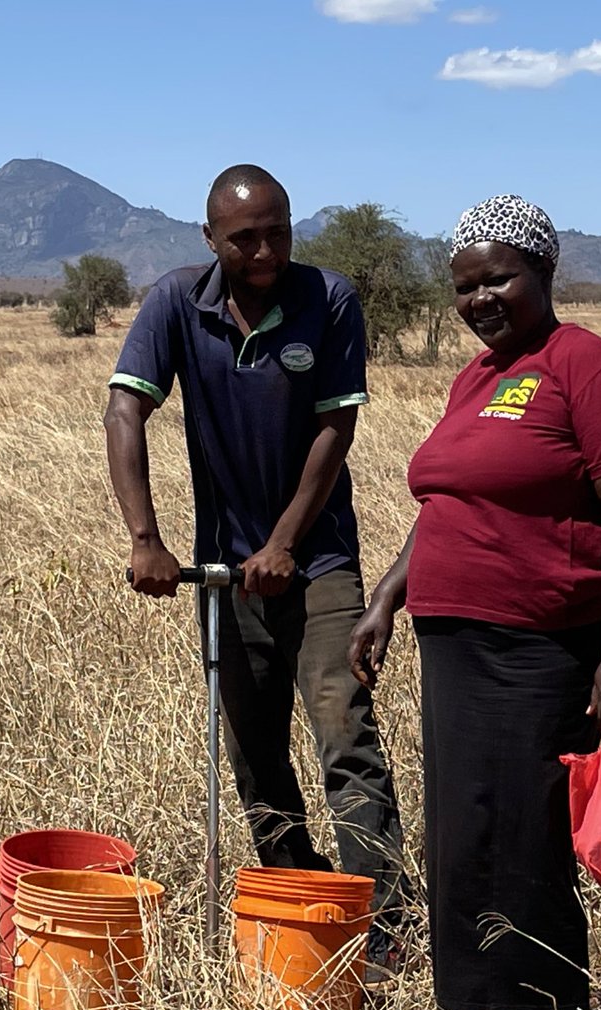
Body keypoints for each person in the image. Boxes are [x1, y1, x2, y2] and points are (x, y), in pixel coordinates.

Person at [349, 195, 601, 1010]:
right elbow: (446, 500)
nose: (480, 298)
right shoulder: (479, 378)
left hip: (538, 651)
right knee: (470, 846)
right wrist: (385, 599)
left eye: (498, 278)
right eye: (464, 286)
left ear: (544, 272)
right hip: (457, 648)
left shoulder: (593, 371)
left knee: (527, 848)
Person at [104, 164, 408, 968]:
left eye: (279, 230)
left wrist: (283, 543)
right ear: (210, 240)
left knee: (345, 733)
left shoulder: (329, 299)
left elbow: (333, 432)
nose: (266, 249)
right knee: (254, 752)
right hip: (223, 575)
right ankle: (302, 910)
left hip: (321, 563)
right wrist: (145, 538)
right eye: (246, 238)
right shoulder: (178, 302)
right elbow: (126, 406)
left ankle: (386, 927)